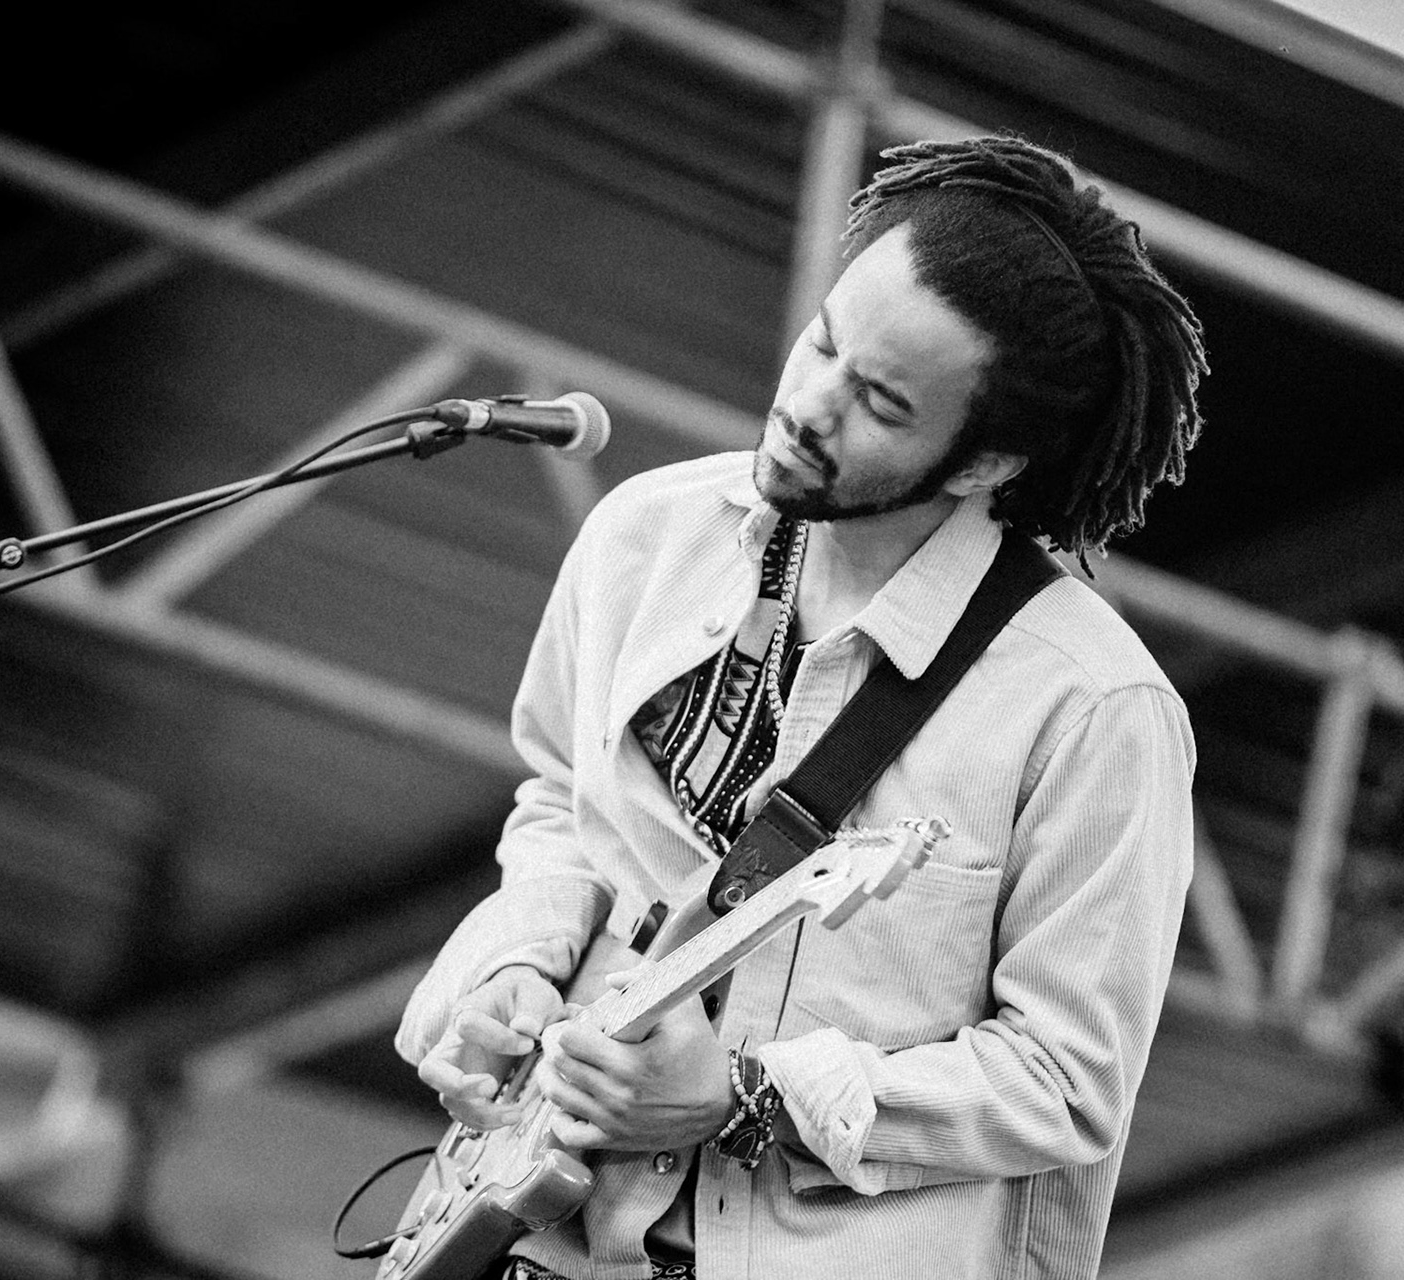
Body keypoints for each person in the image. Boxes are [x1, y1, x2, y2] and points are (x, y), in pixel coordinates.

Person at [394, 133, 1209, 1279]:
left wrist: (742, 1097)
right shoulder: (645, 534)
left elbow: (1067, 1081)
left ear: (985, 464)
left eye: (878, 400)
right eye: (823, 339)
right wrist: (513, 973)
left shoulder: (1096, 709)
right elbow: (561, 810)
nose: (810, 404)